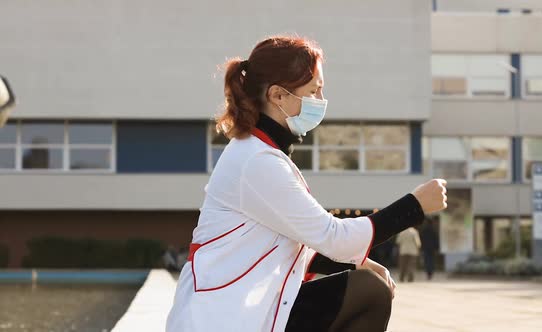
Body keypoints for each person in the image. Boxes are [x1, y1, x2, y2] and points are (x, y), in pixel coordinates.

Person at [166, 35, 448, 332]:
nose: (320, 101)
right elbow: (334, 237)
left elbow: (291, 245)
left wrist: (356, 262)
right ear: (277, 96)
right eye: (313, 91)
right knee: (369, 291)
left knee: (368, 284)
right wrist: (415, 206)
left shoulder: (261, 153)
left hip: (243, 311)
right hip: (223, 319)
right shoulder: (257, 161)